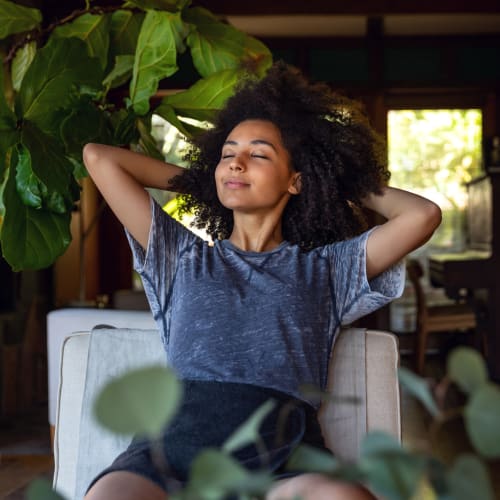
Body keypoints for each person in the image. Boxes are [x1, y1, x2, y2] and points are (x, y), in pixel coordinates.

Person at [83, 62, 441, 500]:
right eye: (227, 153)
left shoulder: (328, 269)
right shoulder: (180, 256)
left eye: (259, 154)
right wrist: (205, 181)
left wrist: (331, 180)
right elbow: (99, 158)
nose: (235, 162)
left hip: (281, 458)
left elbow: (422, 216)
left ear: (295, 180)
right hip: (170, 451)